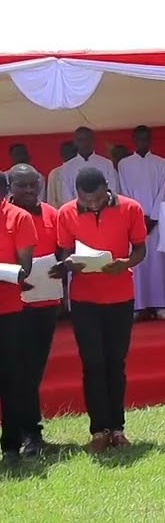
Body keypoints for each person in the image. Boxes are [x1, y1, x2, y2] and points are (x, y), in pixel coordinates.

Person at [52, 167, 147, 453]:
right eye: (85, 201)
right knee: (92, 363)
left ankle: (117, 428)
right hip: (84, 300)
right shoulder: (66, 212)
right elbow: (64, 252)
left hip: (120, 296)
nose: (92, 205)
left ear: (107, 188)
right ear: (76, 195)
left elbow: (140, 248)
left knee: (115, 363)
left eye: (96, 199)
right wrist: (69, 264)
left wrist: (125, 263)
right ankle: (98, 430)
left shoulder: (131, 208)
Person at [8, 164, 59, 455]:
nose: (29, 191)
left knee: (34, 369)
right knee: (18, 371)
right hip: (13, 304)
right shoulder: (5, 217)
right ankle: (26, 432)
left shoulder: (51, 213)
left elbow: (63, 249)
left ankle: (30, 431)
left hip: (45, 303)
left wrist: (63, 268)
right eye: (22, 185)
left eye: (33, 185)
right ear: (10, 187)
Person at [118, 125, 165, 320]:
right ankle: (139, 305)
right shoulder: (124, 164)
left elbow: (163, 190)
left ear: (150, 139)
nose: (143, 142)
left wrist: (153, 217)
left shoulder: (160, 163)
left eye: (146, 138)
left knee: (158, 262)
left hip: (156, 220)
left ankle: (161, 305)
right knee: (137, 263)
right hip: (134, 221)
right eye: (139, 138)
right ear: (134, 140)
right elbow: (123, 191)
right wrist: (137, 216)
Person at [0, 171, 37, 465]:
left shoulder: (18, 218)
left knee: (11, 379)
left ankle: (11, 444)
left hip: (8, 311)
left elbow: (24, 268)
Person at [59, 127, 119, 204]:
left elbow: (112, 189)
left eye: (87, 139)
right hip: (79, 210)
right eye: (80, 140)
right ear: (75, 142)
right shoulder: (68, 167)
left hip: (103, 207)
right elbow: (66, 194)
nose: (84, 143)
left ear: (93, 140)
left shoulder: (106, 163)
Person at [45, 141, 76, 209]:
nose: (68, 155)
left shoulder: (80, 171)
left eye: (71, 152)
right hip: (61, 213)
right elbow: (51, 199)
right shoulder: (55, 173)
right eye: (66, 152)